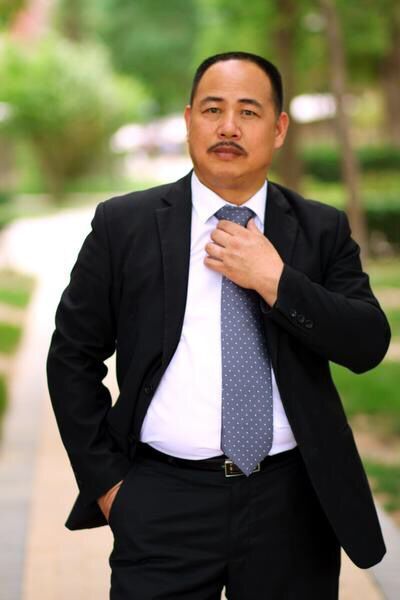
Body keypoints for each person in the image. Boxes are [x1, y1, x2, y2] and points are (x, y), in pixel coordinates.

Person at [46, 51, 391, 599]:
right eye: (213, 110)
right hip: (162, 500)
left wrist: (276, 281)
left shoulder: (320, 229)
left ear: (279, 129)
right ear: (189, 121)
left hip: (292, 505)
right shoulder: (124, 226)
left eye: (249, 112)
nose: (229, 127)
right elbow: (71, 356)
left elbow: (367, 343)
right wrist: (110, 485)